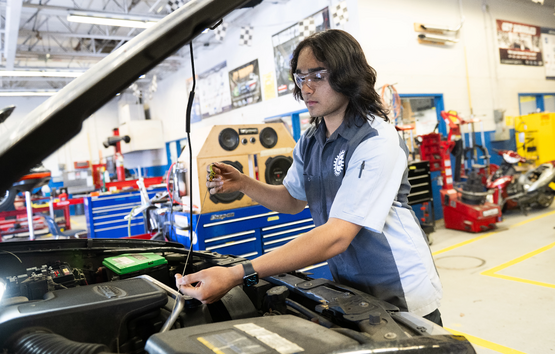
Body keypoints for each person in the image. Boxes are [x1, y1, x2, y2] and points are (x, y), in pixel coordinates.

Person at [176, 29, 443, 325]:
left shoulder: (376, 139)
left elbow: (337, 236)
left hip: (401, 288)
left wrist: (237, 273)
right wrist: (243, 183)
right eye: (301, 78)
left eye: (318, 75)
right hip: (352, 289)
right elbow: (292, 200)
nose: (306, 88)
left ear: (347, 75)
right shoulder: (311, 139)